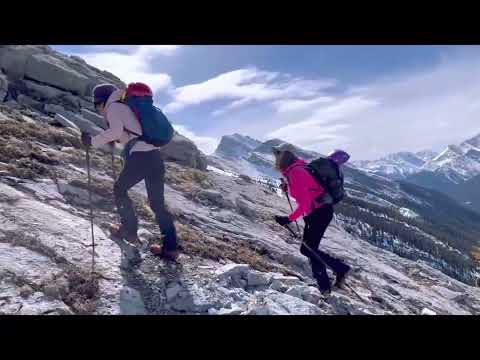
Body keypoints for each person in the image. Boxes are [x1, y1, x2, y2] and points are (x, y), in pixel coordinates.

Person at [80, 83, 178, 261]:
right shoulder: (127, 107)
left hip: (141, 158)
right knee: (157, 204)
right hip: (155, 158)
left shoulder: (114, 107)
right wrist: (115, 140)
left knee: (119, 189)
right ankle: (171, 247)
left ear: (101, 101)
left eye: (96, 105)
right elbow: (130, 134)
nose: (98, 109)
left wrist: (92, 142)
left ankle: (129, 230)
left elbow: (116, 131)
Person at [273, 145, 350, 295]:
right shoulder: (296, 169)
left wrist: (288, 219)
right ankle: (325, 284)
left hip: (318, 213)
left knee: (308, 248)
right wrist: (287, 186)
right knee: (309, 248)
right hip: (317, 213)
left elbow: (305, 203)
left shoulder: (296, 172)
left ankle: (337, 272)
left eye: (277, 159)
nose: (276, 162)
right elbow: (308, 189)